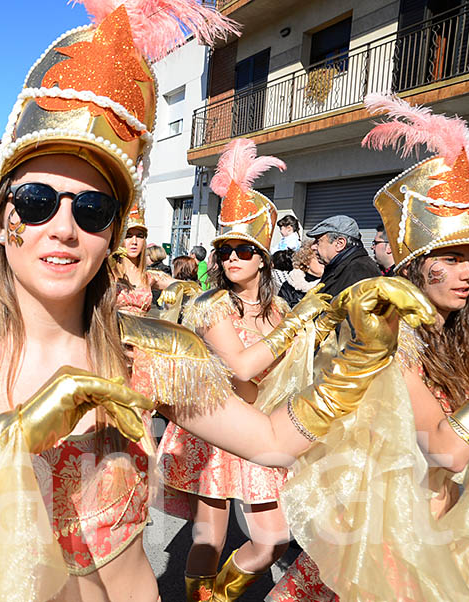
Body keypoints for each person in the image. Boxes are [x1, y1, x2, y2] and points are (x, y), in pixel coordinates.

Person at [0, 8, 426, 602]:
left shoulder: (149, 356)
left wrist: (363, 354)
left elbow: (268, 439)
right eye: (35, 200)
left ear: (111, 232)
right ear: (3, 220)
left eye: (91, 209)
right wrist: (2, 444)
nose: (63, 227)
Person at [270, 93, 469, 601]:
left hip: (444, 523)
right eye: (448, 258)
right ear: (410, 266)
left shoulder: (458, 333)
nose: (466, 273)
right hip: (390, 535)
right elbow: (446, 451)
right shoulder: (392, 344)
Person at [158, 139, 323, 600]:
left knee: (272, 539)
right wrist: (299, 326)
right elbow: (242, 367)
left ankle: (223, 596)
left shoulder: (278, 311)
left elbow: (293, 373)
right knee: (207, 540)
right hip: (217, 431)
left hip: (262, 432)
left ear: (264, 258)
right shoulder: (211, 306)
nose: (232, 257)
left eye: (243, 250)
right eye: (225, 249)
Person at [110, 203, 175, 315]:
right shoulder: (108, 272)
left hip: (141, 330)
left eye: (139, 236)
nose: (134, 242)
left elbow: (188, 287)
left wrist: (174, 290)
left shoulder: (150, 277)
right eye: (128, 236)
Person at [307, 214, 381, 297]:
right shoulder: (340, 267)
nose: (313, 247)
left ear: (339, 244)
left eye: (318, 241)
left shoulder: (358, 272)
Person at [278, 241, 324, 307]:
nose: (323, 263)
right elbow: (281, 310)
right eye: (319, 259)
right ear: (307, 261)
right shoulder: (290, 284)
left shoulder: (328, 283)